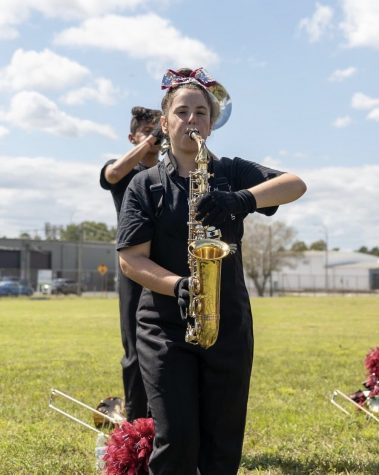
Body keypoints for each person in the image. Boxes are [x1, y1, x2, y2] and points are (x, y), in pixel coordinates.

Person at [117, 68, 307, 475]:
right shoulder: (145, 185)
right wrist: (177, 285)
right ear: (165, 123)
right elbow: (130, 259)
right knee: (177, 439)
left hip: (228, 322)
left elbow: (294, 184)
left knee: (223, 444)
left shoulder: (231, 171)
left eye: (201, 112)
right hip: (165, 327)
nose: (192, 120)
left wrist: (241, 199)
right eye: (182, 112)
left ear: (211, 123)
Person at [100, 106, 162, 422]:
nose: (156, 139)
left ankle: (162, 418)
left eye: (159, 131)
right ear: (132, 137)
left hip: (166, 268)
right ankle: (136, 423)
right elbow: (112, 176)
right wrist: (150, 141)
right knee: (135, 348)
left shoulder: (167, 172)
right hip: (134, 268)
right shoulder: (120, 169)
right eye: (148, 132)